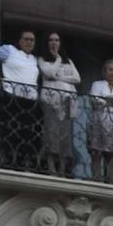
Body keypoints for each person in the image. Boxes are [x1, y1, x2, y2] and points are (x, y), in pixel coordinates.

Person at [0, 29, 41, 171]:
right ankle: (9, 162)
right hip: (11, 98)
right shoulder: (9, 50)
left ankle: (24, 165)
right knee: (11, 132)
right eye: (26, 39)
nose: (29, 42)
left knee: (28, 135)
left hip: (30, 101)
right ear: (20, 41)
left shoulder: (34, 59)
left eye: (32, 40)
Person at [35, 32, 78, 176]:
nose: (54, 43)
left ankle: (62, 168)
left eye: (57, 40)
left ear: (60, 43)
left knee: (65, 135)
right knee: (51, 133)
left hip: (67, 101)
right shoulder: (42, 59)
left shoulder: (69, 61)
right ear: (47, 43)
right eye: (51, 40)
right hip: (50, 100)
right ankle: (51, 166)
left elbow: (77, 78)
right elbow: (49, 73)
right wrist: (57, 58)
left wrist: (60, 76)